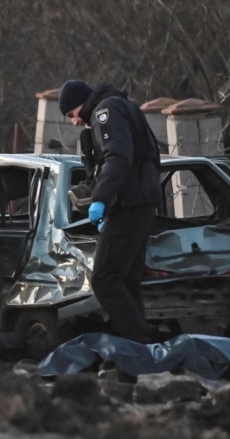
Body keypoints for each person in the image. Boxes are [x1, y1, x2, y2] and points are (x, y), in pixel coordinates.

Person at [58, 79, 161, 344]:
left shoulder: (106, 111)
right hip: (140, 203)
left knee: (104, 279)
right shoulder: (120, 106)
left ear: (81, 102)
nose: (74, 121)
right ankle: (140, 348)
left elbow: (118, 156)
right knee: (126, 280)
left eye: (72, 114)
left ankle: (140, 343)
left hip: (131, 205)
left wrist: (101, 199)